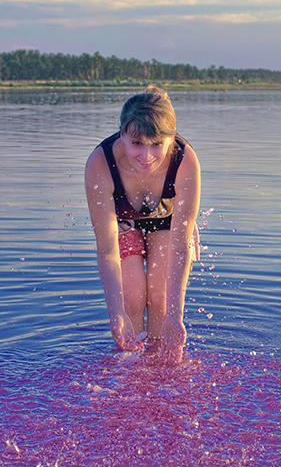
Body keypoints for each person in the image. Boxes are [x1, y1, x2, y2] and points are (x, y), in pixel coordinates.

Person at [85, 86, 201, 363]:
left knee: (161, 297)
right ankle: (130, 369)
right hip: (122, 223)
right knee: (132, 299)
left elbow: (181, 244)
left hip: (167, 222)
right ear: (122, 135)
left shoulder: (185, 161)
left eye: (157, 144)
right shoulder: (101, 163)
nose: (146, 155)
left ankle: (163, 371)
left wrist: (176, 315)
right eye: (137, 143)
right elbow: (106, 249)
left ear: (171, 139)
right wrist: (116, 313)